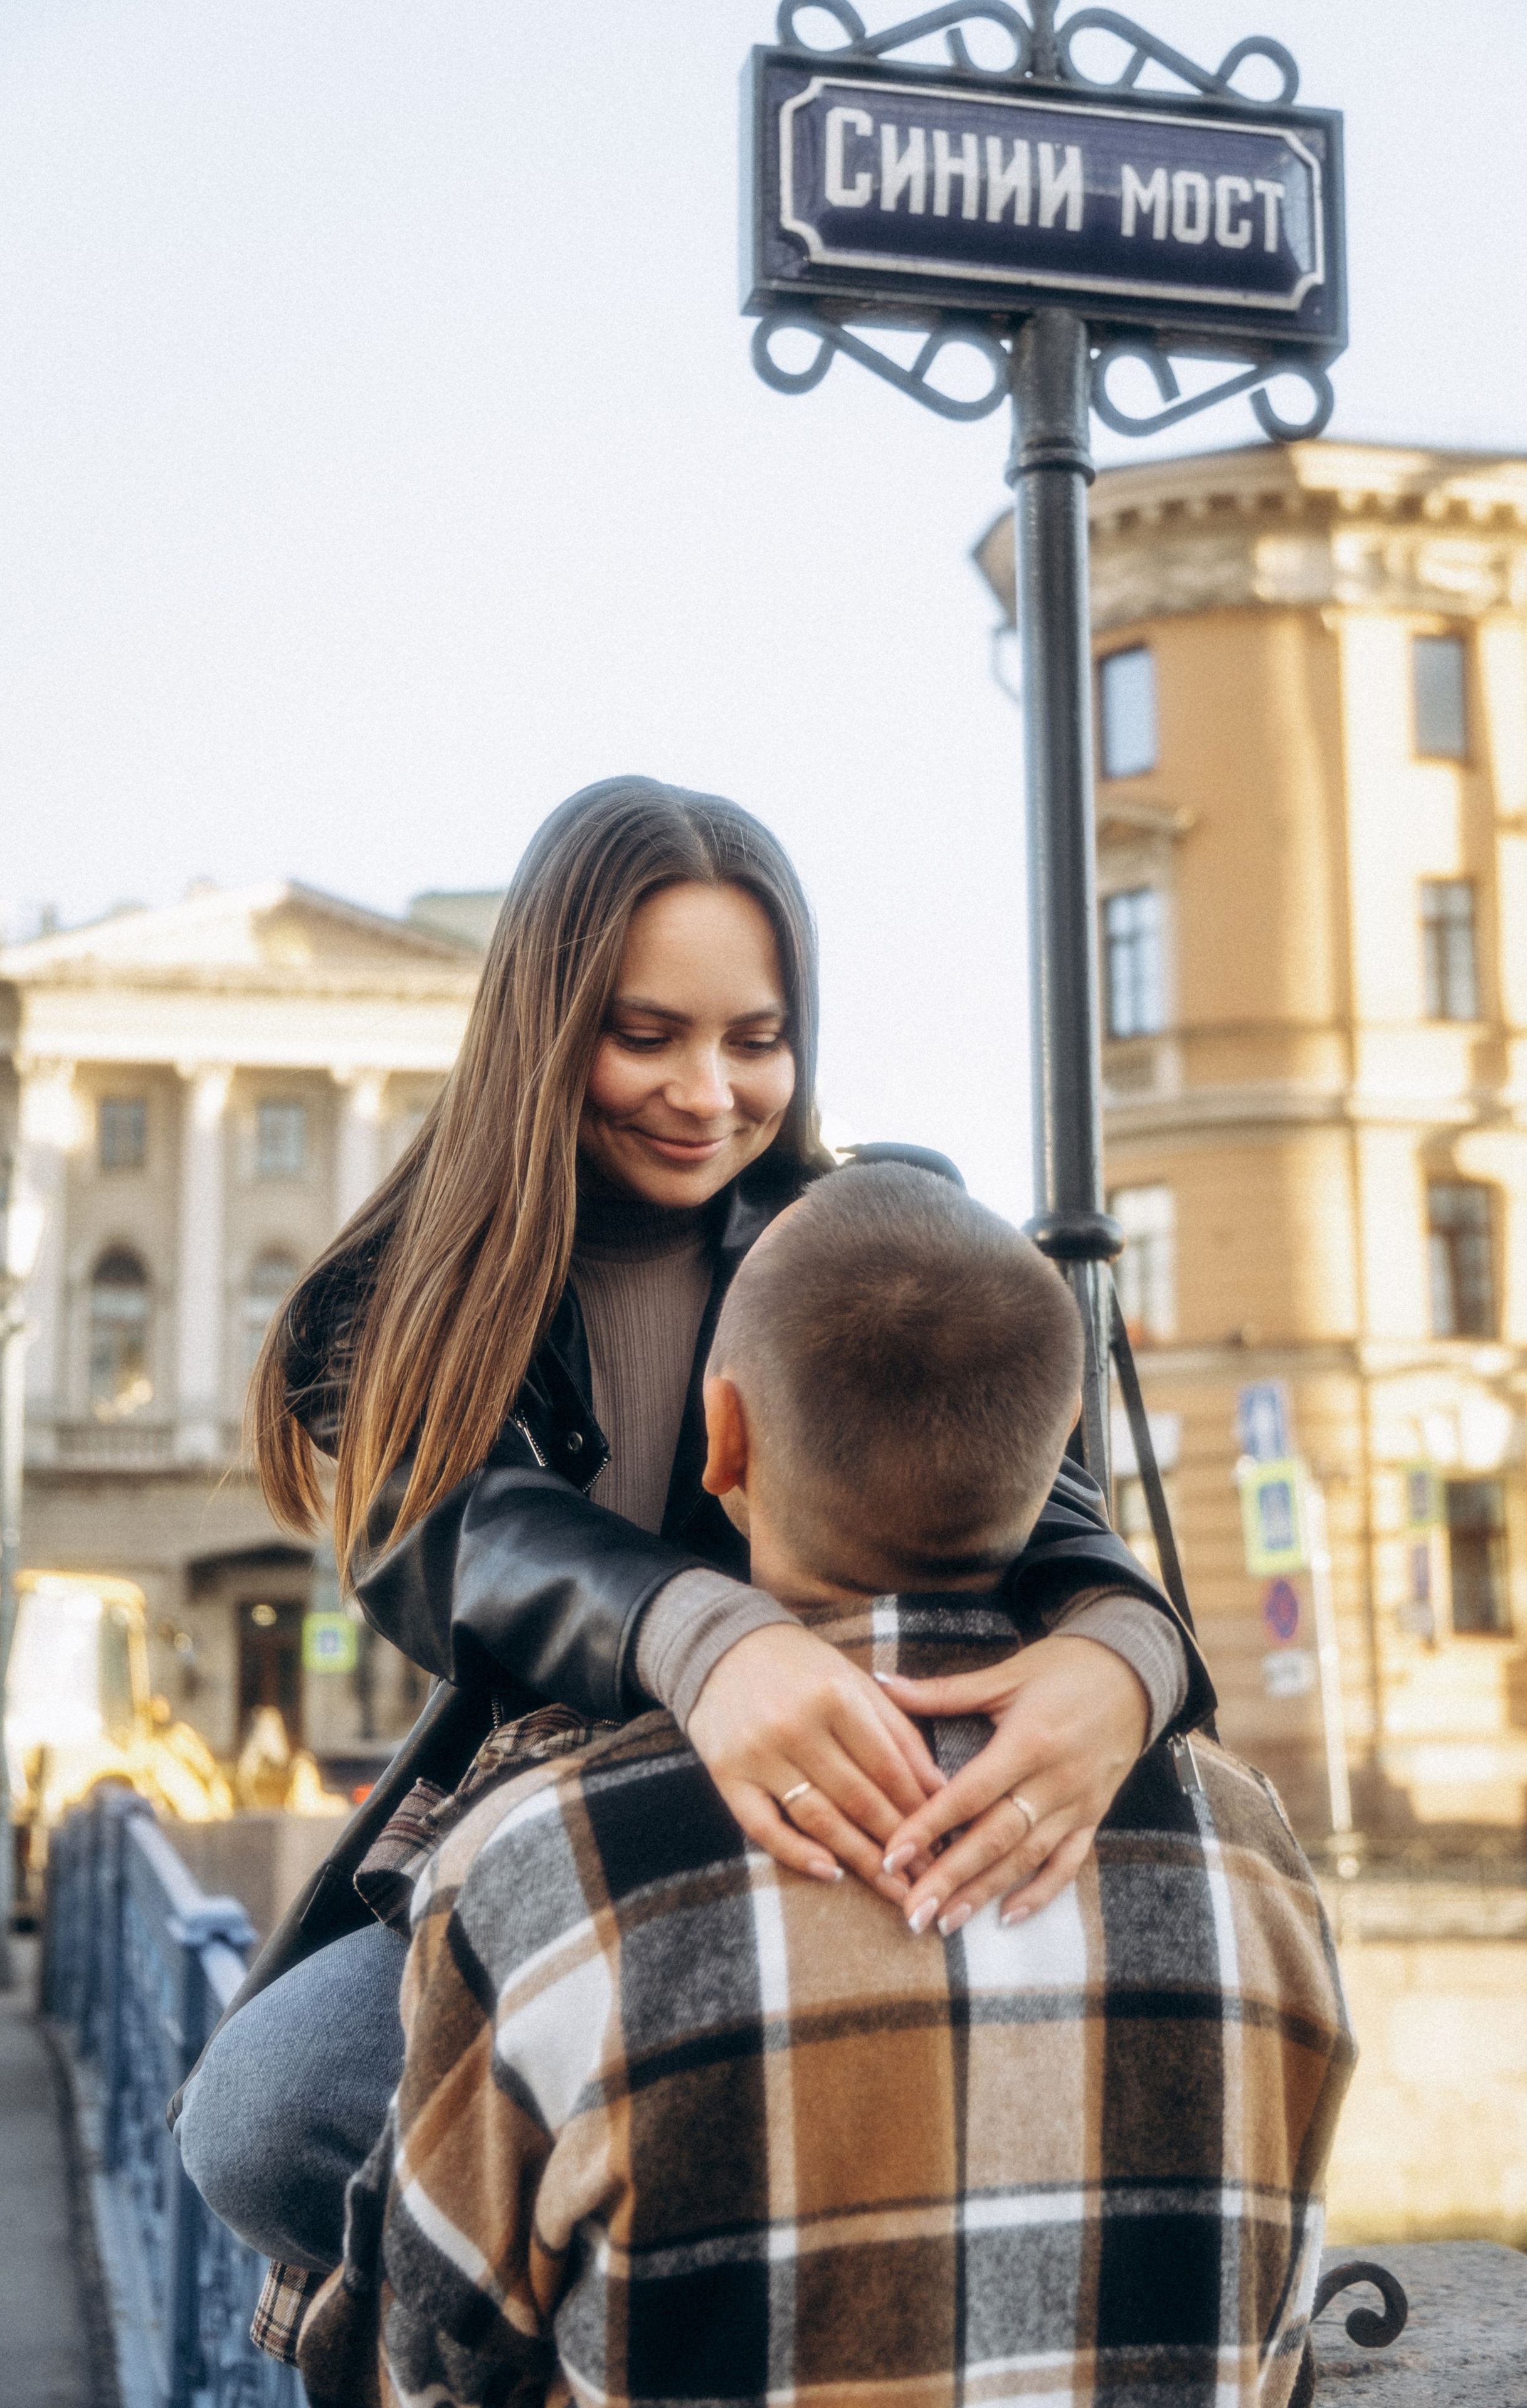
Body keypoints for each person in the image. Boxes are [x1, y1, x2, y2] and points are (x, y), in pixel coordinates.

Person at [177, 775, 1213, 2276]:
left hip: (868, 1807)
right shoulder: (398, 1290)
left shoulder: (852, 1231)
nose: (707, 1093)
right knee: (266, 2117)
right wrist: (706, 1640)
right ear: (545, 1023)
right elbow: (449, 1535)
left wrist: (1123, 1658)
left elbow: (1044, 1503)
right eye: (643, 1034)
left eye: (757, 1039)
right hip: (542, 1820)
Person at [283, 1165, 1352, 2408]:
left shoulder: (548, 1862)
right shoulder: (1245, 1844)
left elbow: (425, 2363)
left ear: (720, 1439)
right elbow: (1276, 2326)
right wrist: (1133, 1643)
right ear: (1060, 1446)